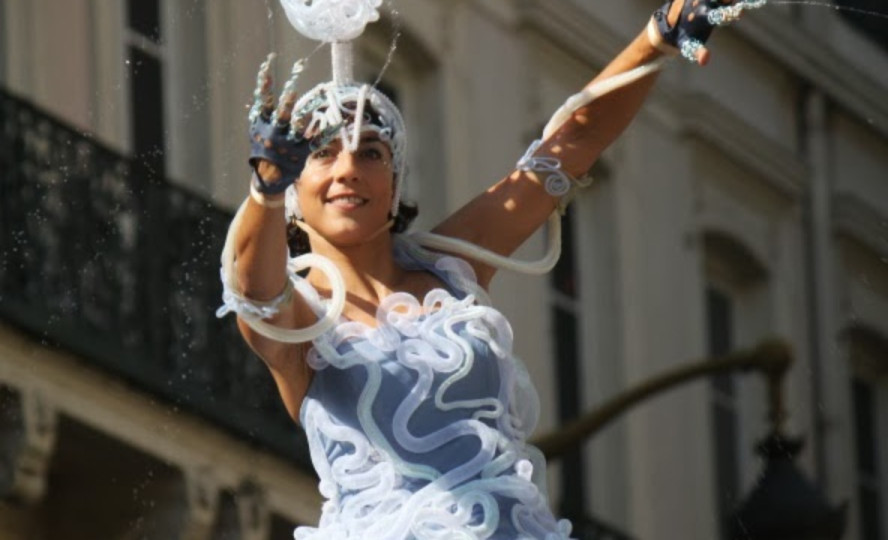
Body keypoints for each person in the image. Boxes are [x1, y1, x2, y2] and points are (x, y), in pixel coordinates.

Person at [217, 0, 759, 537]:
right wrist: (263, 191)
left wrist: (658, 35)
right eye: (322, 154)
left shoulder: (450, 267)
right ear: (292, 188)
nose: (348, 170)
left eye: (372, 153)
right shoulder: (301, 318)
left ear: (395, 184)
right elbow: (254, 291)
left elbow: (573, 146)